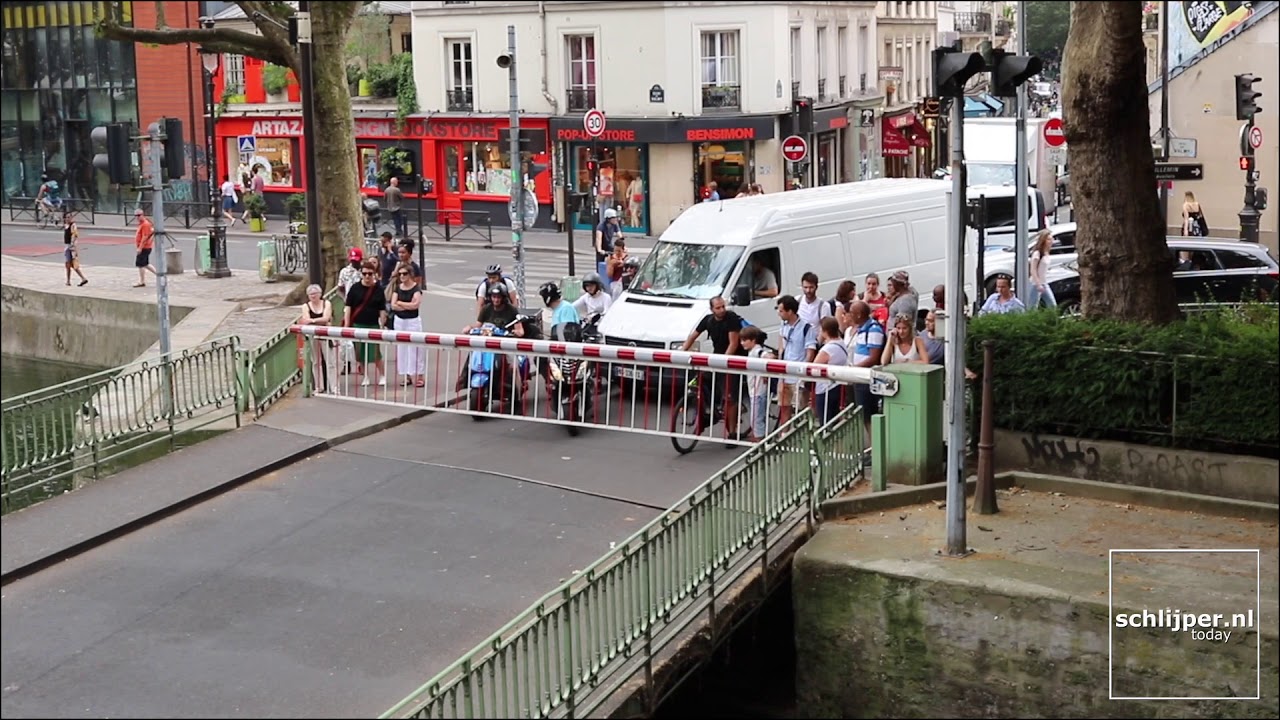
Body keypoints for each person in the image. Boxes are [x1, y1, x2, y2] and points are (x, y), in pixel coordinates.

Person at [680, 296, 744, 439]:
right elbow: (693, 336)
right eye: (718, 308)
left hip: (732, 360)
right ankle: (706, 414)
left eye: (723, 306)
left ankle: (732, 433)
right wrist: (681, 352)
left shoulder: (731, 318)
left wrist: (723, 361)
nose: (722, 310)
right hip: (717, 358)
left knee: (729, 398)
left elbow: (733, 343)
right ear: (712, 309)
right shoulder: (708, 320)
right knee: (700, 381)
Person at [343, 258, 389, 387]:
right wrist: (346, 325)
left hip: (373, 324)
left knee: (375, 352)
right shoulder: (355, 288)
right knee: (360, 353)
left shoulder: (378, 290)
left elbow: (382, 309)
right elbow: (348, 307)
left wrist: (382, 324)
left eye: (370, 273)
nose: (367, 276)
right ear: (361, 274)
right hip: (358, 324)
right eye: (364, 274)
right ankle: (366, 376)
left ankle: (382, 375)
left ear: (374, 274)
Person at [776, 294, 817, 426]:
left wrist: (804, 374)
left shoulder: (806, 328)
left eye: (781, 311)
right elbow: (781, 345)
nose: (779, 313)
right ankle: (784, 433)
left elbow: (810, 351)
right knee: (784, 407)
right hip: (784, 375)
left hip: (798, 376)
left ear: (790, 311)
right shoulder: (783, 325)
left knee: (801, 409)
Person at [389, 262, 426, 387]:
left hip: (413, 321)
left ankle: (420, 375)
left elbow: (415, 305)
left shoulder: (416, 289)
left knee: (416, 348)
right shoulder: (398, 288)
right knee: (402, 348)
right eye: (400, 274)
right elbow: (393, 305)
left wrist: (401, 303)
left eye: (404, 274)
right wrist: (406, 305)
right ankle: (406, 375)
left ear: (410, 275)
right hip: (400, 321)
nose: (402, 276)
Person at [739, 325, 775, 442]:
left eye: (744, 340)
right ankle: (759, 437)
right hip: (755, 390)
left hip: (758, 391)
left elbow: (767, 356)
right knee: (757, 416)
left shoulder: (756, 351)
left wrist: (765, 371)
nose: (742, 343)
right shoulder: (753, 351)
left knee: (756, 418)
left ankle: (759, 440)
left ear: (753, 340)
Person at [812, 317, 850, 424]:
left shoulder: (827, 349)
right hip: (837, 386)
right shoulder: (841, 342)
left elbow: (814, 367)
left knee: (825, 420)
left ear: (825, 331)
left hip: (825, 389)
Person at [297, 284, 333, 393]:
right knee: (316, 362)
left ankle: (334, 387)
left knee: (330, 361)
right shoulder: (305, 306)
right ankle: (318, 386)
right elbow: (306, 319)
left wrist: (313, 321)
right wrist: (318, 321)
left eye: (315, 293)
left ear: (320, 294)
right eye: (310, 294)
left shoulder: (326, 303)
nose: (313, 296)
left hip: (326, 335)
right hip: (313, 335)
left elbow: (326, 318)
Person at [1028, 230, 1057, 309]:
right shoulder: (1037, 253)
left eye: (1051, 239)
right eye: (1048, 239)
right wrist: (1038, 284)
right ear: (1043, 241)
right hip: (1035, 283)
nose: (1051, 241)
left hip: (1044, 283)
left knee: (1052, 305)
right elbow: (1033, 270)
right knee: (1032, 306)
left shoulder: (1047, 253)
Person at [594, 208, 622, 289]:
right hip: (602, 246)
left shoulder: (615, 224)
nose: (615, 219)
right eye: (613, 218)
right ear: (608, 219)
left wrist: (622, 244)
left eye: (616, 217)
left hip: (609, 245)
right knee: (600, 264)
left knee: (615, 259)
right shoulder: (601, 226)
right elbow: (598, 238)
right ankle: (599, 282)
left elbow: (619, 235)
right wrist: (599, 249)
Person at [132, 208, 157, 287]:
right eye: (136, 215)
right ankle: (159, 275)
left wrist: (140, 248)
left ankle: (142, 281)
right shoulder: (143, 223)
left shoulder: (145, 224)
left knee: (140, 264)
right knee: (145, 264)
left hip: (144, 247)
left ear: (142, 215)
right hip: (146, 247)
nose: (137, 217)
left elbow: (145, 237)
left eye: (139, 215)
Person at [63, 213, 89, 287]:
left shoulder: (73, 225)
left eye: (69, 217)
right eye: (67, 217)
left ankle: (83, 278)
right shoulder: (66, 225)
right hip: (67, 246)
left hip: (71, 247)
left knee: (74, 264)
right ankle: (68, 281)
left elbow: (75, 235)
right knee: (68, 264)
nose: (68, 219)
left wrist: (72, 244)